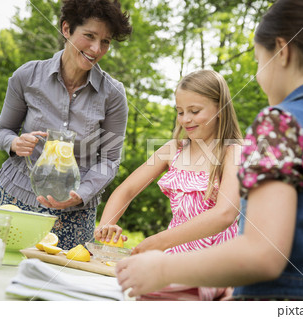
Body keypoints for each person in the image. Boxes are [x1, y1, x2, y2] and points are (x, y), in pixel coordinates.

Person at [115, 0, 303, 301]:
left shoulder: (280, 123)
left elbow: (263, 254)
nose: (257, 73)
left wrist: (162, 269)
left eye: (258, 60)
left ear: (283, 51)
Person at [0, 0, 132, 250]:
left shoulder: (113, 94)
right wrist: (14, 142)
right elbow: (2, 130)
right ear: (66, 29)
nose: (96, 48)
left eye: (106, 41)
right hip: (16, 196)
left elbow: (110, 159)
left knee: (60, 280)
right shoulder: (27, 76)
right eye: (89, 35)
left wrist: (82, 193)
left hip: (74, 214)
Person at [94, 69, 243, 255]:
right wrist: (106, 226)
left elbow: (224, 214)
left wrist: (159, 241)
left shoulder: (233, 153)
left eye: (195, 111)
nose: (185, 119)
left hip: (217, 263)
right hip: (172, 260)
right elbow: (127, 190)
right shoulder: (173, 150)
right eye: (180, 112)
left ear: (220, 109)